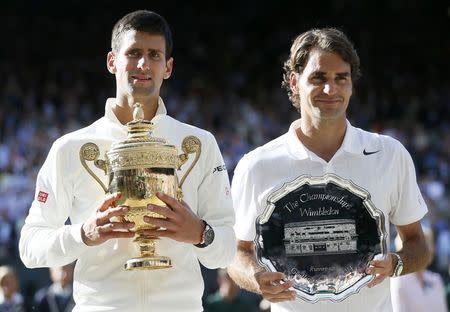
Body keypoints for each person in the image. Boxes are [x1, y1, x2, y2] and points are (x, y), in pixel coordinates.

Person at [19, 10, 235, 312]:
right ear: (112, 61)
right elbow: (30, 247)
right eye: (133, 53)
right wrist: (83, 233)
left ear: (168, 66)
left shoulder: (199, 144)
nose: (143, 64)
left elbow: (226, 250)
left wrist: (200, 233)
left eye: (154, 55)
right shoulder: (70, 147)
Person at [228, 27, 431, 312]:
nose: (330, 89)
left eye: (341, 78)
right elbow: (237, 252)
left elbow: (418, 245)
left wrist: (396, 264)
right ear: (295, 82)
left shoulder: (390, 154)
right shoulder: (256, 165)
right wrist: (255, 277)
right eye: (318, 78)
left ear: (351, 84)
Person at [391, 227, 448, 312]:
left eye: (430, 244)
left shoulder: (436, 279)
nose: (431, 249)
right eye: (425, 246)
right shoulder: (398, 281)